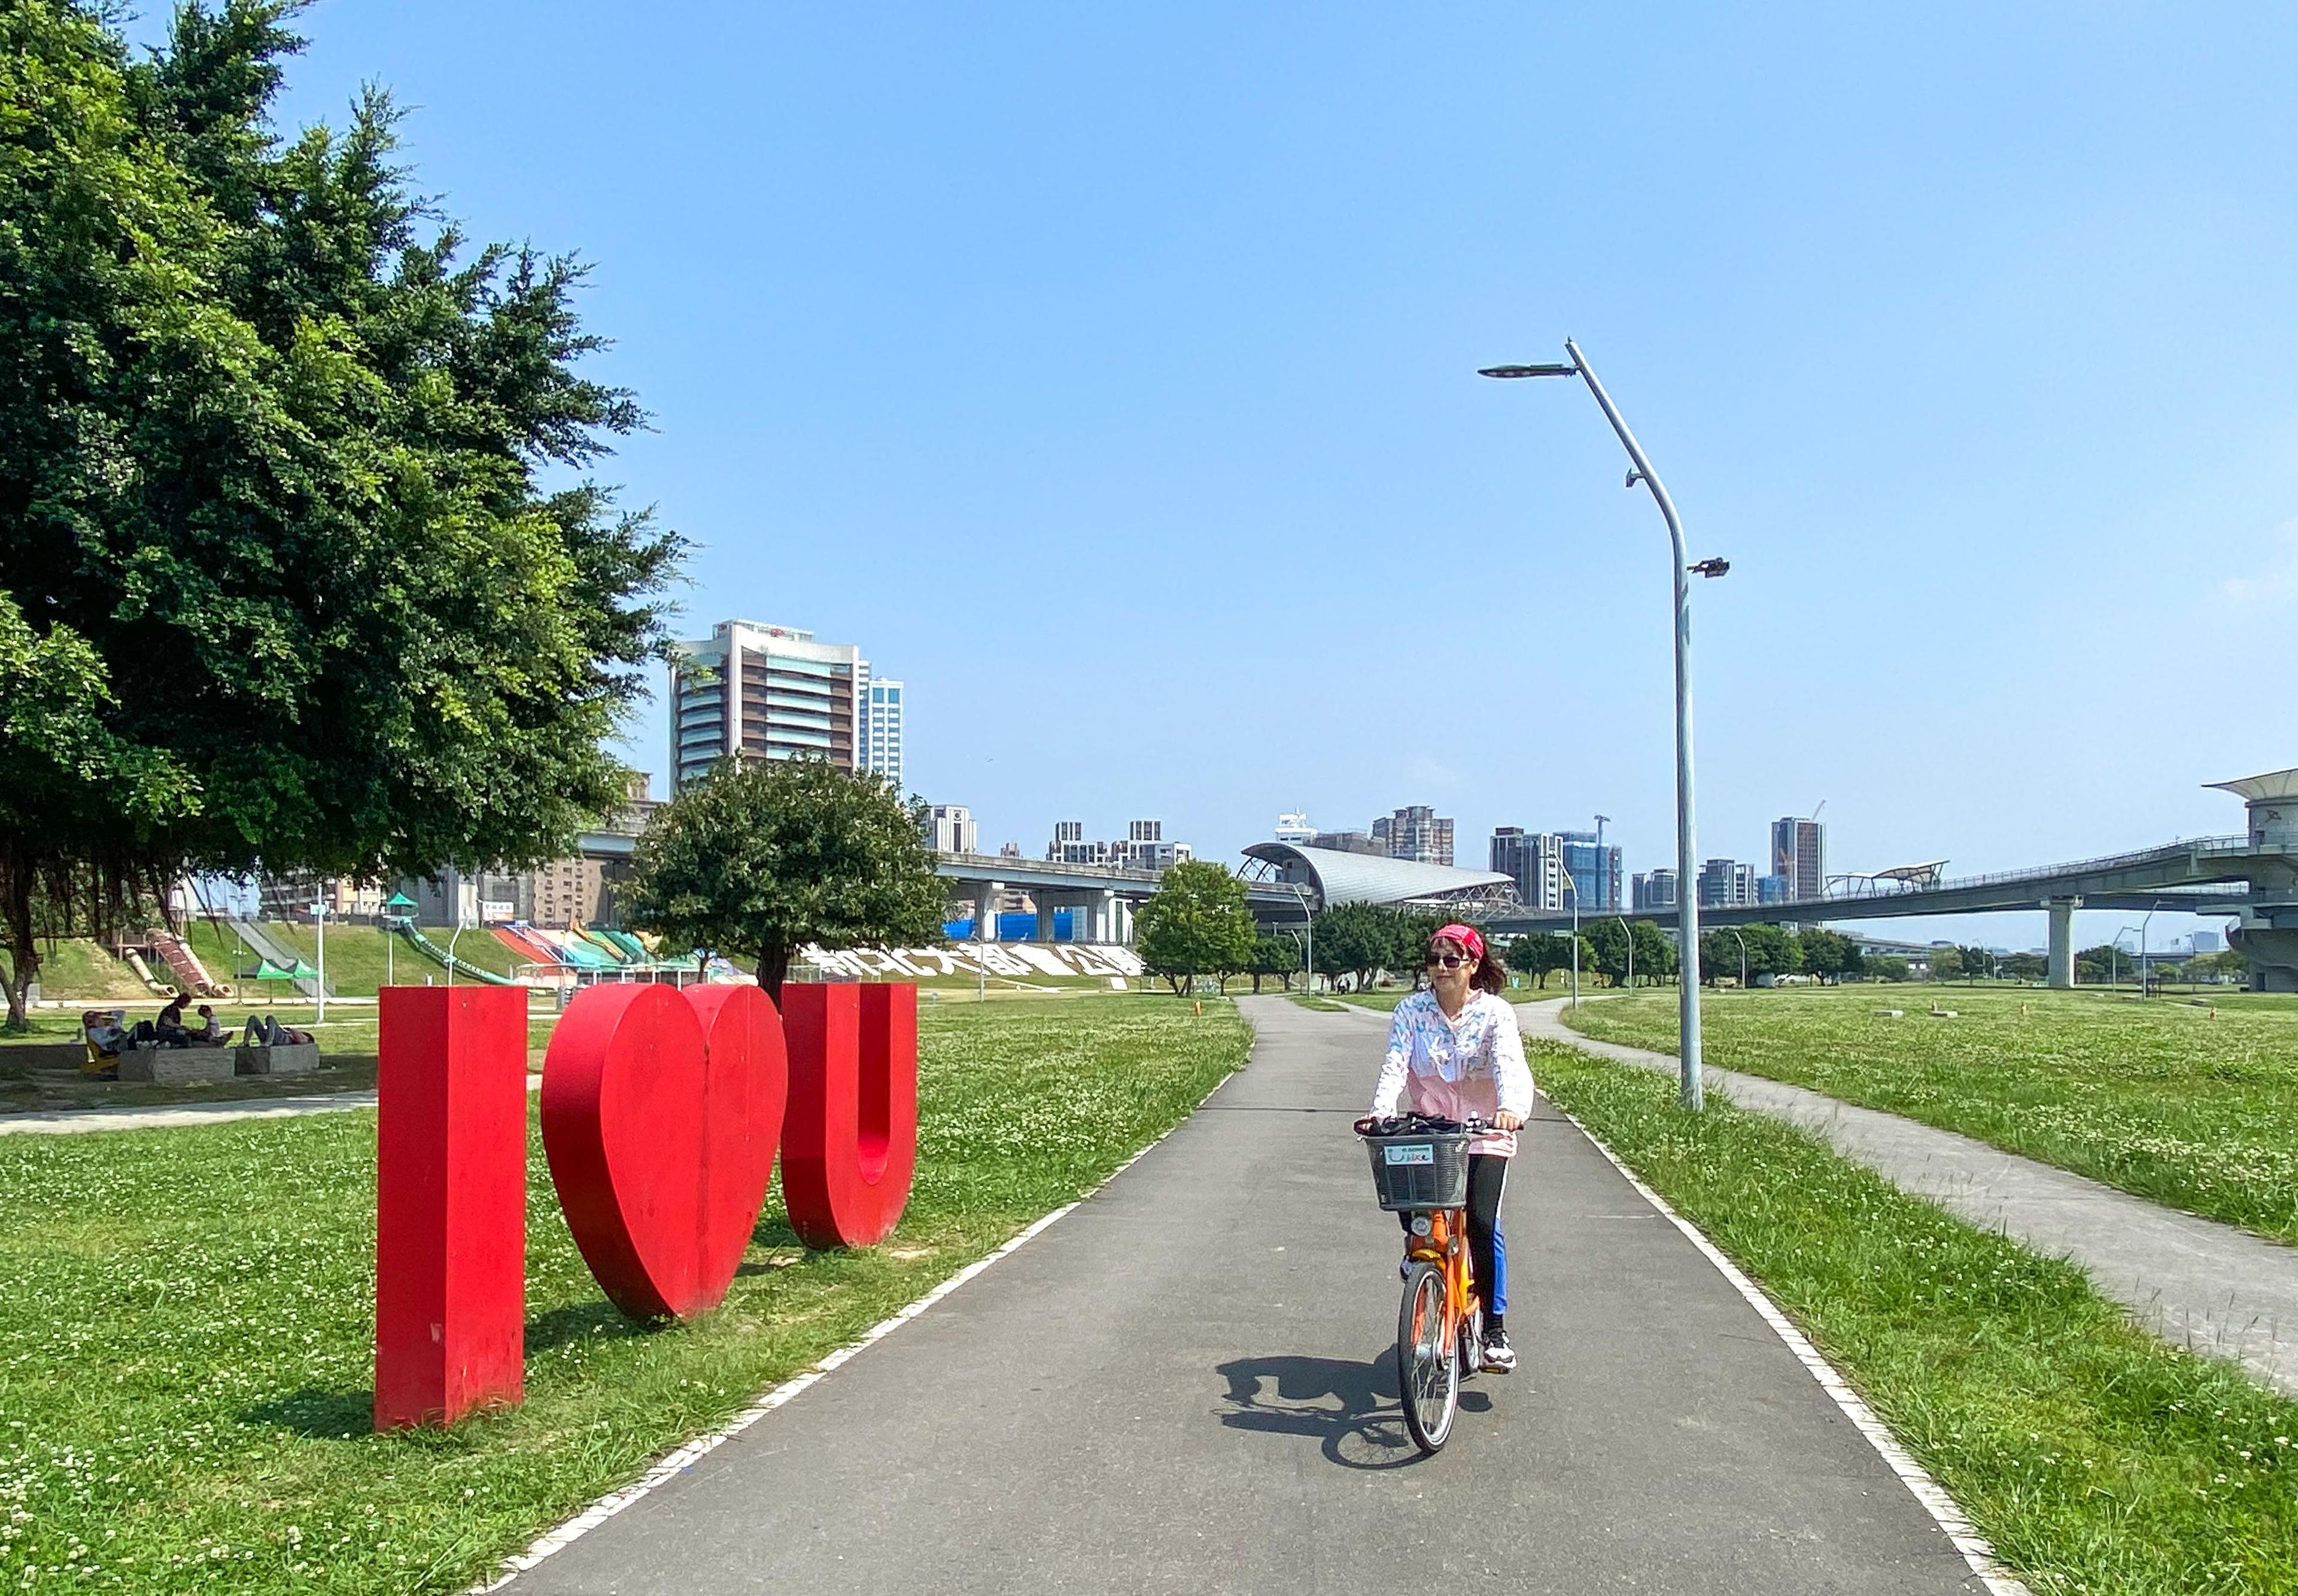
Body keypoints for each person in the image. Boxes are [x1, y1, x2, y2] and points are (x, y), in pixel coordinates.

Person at [1365, 923, 1533, 1373]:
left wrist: (1512, 1107)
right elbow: (1395, 1064)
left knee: (1480, 1220)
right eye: (1434, 959)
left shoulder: (1495, 1014)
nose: (1440, 968)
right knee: (1411, 1200)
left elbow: (1508, 1064)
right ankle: (1419, 1257)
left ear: (1472, 966)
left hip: (1485, 1131)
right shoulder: (1411, 1011)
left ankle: (1495, 1330)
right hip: (1433, 1130)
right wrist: (1381, 1111)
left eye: (1451, 959)